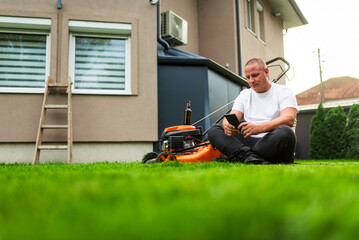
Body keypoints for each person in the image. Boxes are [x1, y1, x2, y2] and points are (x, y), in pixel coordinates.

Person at [208, 58, 298, 164]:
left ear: (266, 72)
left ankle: (242, 157)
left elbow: (289, 119)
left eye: (255, 75)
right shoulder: (244, 94)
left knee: (286, 132)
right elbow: (231, 116)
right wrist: (227, 126)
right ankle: (249, 157)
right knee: (214, 130)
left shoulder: (284, 91)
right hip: (249, 142)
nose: (251, 81)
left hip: (273, 142)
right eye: (248, 77)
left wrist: (259, 128)